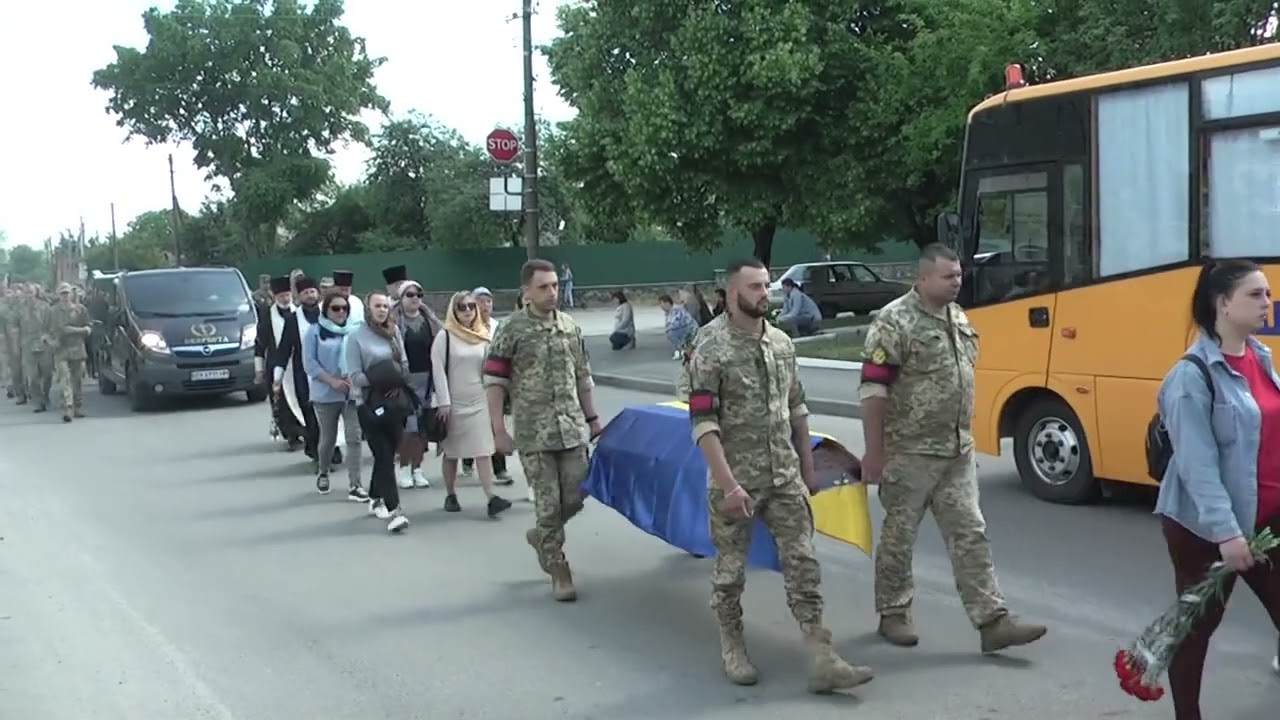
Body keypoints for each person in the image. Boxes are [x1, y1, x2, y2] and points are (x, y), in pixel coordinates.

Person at [687, 258, 872, 692]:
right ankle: (732, 644)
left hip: (784, 476)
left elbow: (796, 407)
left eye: (767, 285)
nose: (764, 294)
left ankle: (821, 655)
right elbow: (702, 423)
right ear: (733, 294)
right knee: (731, 572)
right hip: (736, 482)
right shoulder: (709, 347)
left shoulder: (781, 344)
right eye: (754, 287)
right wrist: (729, 484)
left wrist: (807, 467)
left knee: (803, 563)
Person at [859, 244, 1046, 653]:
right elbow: (873, 389)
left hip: (956, 451)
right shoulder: (893, 322)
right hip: (909, 452)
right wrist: (874, 452)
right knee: (899, 536)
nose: (957, 281)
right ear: (923, 279)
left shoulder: (958, 316)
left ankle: (992, 621)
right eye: (948, 276)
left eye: (958, 275)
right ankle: (893, 613)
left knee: (970, 533)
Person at [1155, 259, 1280, 720]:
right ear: (1223, 303)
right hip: (1206, 529)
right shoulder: (1190, 377)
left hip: (1267, 518)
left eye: (1267, 294)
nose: (1267, 303)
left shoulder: (1258, 357)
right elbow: (1196, 466)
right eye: (1256, 294)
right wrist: (1227, 535)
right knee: (1196, 628)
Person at [484, 259, 601, 601]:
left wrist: (593, 419)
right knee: (548, 504)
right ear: (526, 292)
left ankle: (542, 534)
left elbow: (583, 377)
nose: (552, 293)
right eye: (543, 287)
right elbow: (495, 381)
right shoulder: (511, 329)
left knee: (578, 494)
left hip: (570, 428)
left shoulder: (569, 327)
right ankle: (557, 565)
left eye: (554, 285)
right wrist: (497, 430)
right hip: (534, 433)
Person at [432, 291, 512, 519]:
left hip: (479, 399)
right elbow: (438, 370)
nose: (467, 311)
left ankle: (491, 497)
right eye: (461, 307)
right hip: (453, 402)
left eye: (470, 306)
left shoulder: (483, 335)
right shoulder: (445, 337)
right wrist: (444, 402)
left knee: (483, 450)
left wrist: (494, 399)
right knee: (452, 452)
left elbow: (489, 371)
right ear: (453, 311)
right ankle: (450, 494)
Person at [346, 292, 412, 533]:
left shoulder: (394, 333)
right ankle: (395, 511)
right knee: (383, 455)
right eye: (377, 306)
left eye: (385, 305)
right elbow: (355, 377)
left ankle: (375, 495)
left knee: (389, 453)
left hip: (396, 403)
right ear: (368, 308)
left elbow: (404, 366)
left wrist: (396, 380)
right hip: (369, 405)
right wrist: (383, 377)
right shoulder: (356, 338)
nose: (382, 310)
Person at [303, 291, 368, 501]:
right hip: (326, 394)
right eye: (336, 308)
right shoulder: (314, 332)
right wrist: (332, 381)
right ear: (326, 310)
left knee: (354, 437)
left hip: (351, 393)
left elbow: (363, 356)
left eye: (344, 309)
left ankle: (355, 484)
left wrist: (354, 377)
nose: (341, 312)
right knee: (329, 438)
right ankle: (323, 471)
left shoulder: (355, 331)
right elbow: (310, 364)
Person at [463, 287, 516, 489]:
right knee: (473, 426)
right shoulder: (468, 327)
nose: (485, 306)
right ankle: (467, 458)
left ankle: (499, 468)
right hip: (474, 383)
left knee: (496, 424)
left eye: (488, 301)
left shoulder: (498, 327)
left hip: (494, 383)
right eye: (480, 301)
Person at [394, 279, 441, 489]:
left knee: (423, 427)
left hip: (428, 379)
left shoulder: (429, 319)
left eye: (418, 295)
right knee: (408, 428)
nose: (415, 299)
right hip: (405, 380)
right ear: (401, 298)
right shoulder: (394, 321)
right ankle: (404, 468)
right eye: (410, 295)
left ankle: (418, 468)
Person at [271, 275, 323, 463]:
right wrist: (278, 377)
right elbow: (284, 350)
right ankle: (318, 452)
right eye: (305, 293)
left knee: (329, 415)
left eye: (312, 292)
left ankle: (330, 448)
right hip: (304, 376)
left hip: (329, 374)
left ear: (317, 293)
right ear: (299, 296)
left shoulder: (330, 313)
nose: (309, 296)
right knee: (310, 415)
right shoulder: (293, 320)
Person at [256, 276, 308, 452]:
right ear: (275, 296)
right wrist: (259, 368)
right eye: (282, 296)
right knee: (282, 402)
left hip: (297, 365)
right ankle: (291, 435)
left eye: (287, 295)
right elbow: (260, 344)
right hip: (275, 365)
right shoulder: (266, 316)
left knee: (301, 399)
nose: (285, 299)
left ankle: (305, 431)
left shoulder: (299, 314)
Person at [46, 283, 92, 423]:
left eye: (67, 293)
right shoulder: (52, 311)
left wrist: (73, 330)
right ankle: (68, 407)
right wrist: (50, 342)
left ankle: (77, 406)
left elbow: (89, 328)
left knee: (77, 380)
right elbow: (44, 331)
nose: (65, 296)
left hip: (77, 348)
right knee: (65, 379)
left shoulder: (80, 309)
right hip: (61, 350)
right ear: (58, 295)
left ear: (71, 294)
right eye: (62, 293)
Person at [20, 285, 52, 413]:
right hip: (28, 343)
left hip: (43, 342)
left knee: (47, 374)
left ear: (36, 293)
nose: (29, 295)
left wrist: (49, 337)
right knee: (32, 376)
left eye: (31, 292)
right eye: (26, 292)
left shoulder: (45, 306)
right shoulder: (20, 308)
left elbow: (50, 323)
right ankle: (38, 401)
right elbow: (15, 325)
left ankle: (45, 395)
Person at [660, 294, 697, 360]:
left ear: (667, 303)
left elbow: (677, 323)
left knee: (671, 333)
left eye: (661, 304)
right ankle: (680, 351)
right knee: (671, 333)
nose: (661, 306)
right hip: (684, 328)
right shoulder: (669, 312)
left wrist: (667, 329)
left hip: (690, 329)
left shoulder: (676, 310)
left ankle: (679, 352)